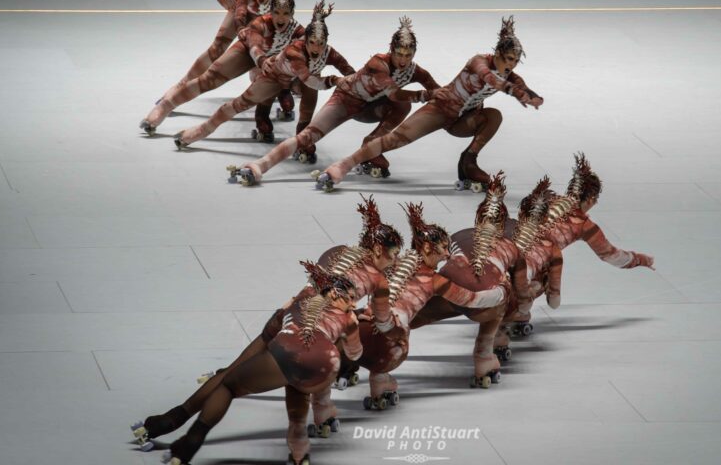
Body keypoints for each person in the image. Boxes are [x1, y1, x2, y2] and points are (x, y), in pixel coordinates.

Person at [130, 195, 403, 461]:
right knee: (239, 383)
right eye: (392, 257)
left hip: (285, 316)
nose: (393, 264)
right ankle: (189, 439)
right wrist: (390, 328)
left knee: (234, 370)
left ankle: (170, 418)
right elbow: (382, 321)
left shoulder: (337, 252)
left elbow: (320, 292)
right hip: (308, 337)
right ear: (378, 250)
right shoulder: (379, 281)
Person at [314, 17, 543, 192]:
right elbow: (491, 79)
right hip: (441, 109)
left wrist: (531, 95)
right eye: (509, 59)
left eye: (515, 61)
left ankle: (469, 162)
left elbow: (518, 83)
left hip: (463, 119)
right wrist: (517, 94)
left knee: (494, 116)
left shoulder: (508, 74)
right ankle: (341, 167)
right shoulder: (479, 62)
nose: (511, 65)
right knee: (394, 140)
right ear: (498, 53)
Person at [326, 202, 507, 414]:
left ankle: (338, 376)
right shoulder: (434, 280)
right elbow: (472, 300)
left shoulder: (392, 263)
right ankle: (380, 380)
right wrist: (501, 291)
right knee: (396, 339)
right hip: (389, 347)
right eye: (443, 248)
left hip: (359, 329)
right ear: (428, 248)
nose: (447, 255)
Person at [226, 17, 440, 186]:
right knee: (307, 136)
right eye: (399, 53)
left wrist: (451, 98)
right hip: (346, 100)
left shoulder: (415, 70)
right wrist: (422, 95)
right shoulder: (378, 63)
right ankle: (260, 165)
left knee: (403, 106)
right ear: (391, 50)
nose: (403, 60)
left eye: (408, 55)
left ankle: (371, 145)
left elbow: (436, 89)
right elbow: (394, 93)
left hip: (370, 106)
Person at [493, 154, 656, 358]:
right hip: (535, 259)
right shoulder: (585, 225)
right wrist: (640, 259)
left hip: (510, 244)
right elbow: (612, 256)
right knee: (543, 277)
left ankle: (519, 314)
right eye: (595, 201)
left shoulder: (549, 199)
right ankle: (505, 328)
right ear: (590, 199)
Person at [175, 0, 354, 150]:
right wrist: (335, 80)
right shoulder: (295, 53)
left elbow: (348, 70)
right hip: (275, 78)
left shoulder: (329, 52)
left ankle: (303, 133)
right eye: (313, 43)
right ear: (305, 41)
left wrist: (356, 84)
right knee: (238, 104)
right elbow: (311, 81)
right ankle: (200, 131)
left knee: (310, 92)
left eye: (321, 44)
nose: (317, 48)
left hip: (297, 79)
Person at [409, 173, 531, 388]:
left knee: (418, 316)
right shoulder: (512, 248)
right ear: (503, 225)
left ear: (477, 220)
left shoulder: (458, 236)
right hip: (489, 302)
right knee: (504, 292)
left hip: (452, 290)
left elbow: (441, 264)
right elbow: (522, 292)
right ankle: (484, 354)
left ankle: (384, 334)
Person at [139, 0, 302, 136]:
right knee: (208, 80)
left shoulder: (297, 29)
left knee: (276, 83)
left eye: (286, 13)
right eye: (277, 13)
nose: (280, 18)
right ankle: (165, 107)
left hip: (270, 62)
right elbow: (244, 27)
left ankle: (264, 114)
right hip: (250, 50)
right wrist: (259, 57)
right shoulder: (255, 12)